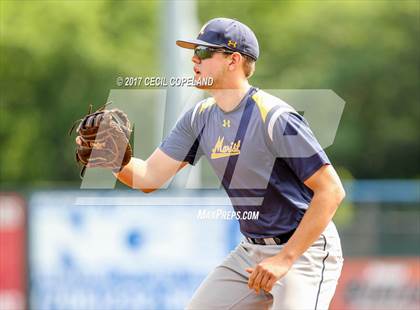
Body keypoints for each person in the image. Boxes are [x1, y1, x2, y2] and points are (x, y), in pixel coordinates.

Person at [115, 17, 345, 309]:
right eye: (193, 53)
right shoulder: (199, 117)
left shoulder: (274, 116)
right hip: (252, 252)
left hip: (304, 252)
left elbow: (332, 191)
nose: (194, 60)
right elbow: (148, 178)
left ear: (233, 60)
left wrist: (284, 259)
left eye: (203, 53)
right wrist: (113, 159)